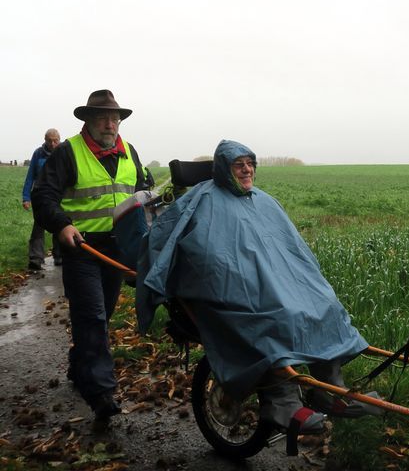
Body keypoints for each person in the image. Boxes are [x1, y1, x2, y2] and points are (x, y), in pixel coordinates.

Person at [136, 139, 380, 435]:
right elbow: (192, 247)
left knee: (323, 303)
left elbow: (292, 248)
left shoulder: (262, 200)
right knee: (278, 316)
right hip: (234, 287)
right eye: (239, 165)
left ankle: (330, 390)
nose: (247, 170)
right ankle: (282, 403)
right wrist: (234, 273)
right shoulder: (204, 200)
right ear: (224, 169)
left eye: (250, 164)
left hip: (274, 281)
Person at [32, 90, 151, 420]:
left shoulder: (130, 153)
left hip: (117, 250)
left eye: (115, 118)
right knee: (92, 317)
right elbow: (42, 195)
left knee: (101, 316)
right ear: (88, 120)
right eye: (102, 118)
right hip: (81, 248)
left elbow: (141, 194)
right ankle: (100, 393)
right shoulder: (68, 152)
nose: (110, 124)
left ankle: (79, 364)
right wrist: (61, 225)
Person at [22, 128, 63, 270]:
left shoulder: (64, 152)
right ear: (44, 140)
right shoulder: (38, 153)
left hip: (59, 195)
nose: (52, 144)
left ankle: (59, 256)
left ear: (59, 139)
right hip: (41, 196)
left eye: (55, 140)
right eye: (49, 140)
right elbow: (30, 176)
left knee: (60, 224)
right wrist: (26, 197)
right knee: (38, 227)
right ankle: (35, 258)